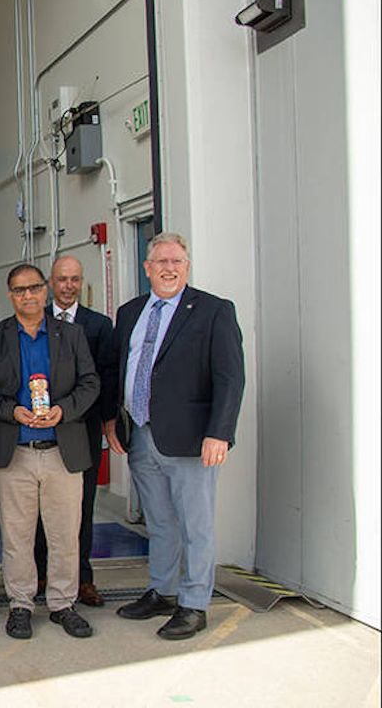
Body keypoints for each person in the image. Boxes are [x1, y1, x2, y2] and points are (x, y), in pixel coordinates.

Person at [105, 233, 244, 640]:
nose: (168, 268)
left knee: (195, 525)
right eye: (160, 261)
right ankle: (162, 591)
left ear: (187, 267)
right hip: (142, 435)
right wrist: (113, 419)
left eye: (177, 262)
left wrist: (220, 433)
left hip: (192, 439)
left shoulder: (213, 311)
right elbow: (118, 368)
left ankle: (194, 603)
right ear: (147, 268)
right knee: (161, 522)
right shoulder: (130, 312)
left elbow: (230, 377)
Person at [0, 264, 99, 641]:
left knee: (65, 535)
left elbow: (91, 382)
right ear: (10, 295)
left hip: (63, 451)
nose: (27, 296)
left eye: (33, 288)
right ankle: (21, 605)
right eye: (18, 290)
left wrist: (65, 409)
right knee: (17, 536)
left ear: (45, 291)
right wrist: (11, 411)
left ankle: (63, 603)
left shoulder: (71, 335)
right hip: (15, 453)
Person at [33, 256, 118, 607]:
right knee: (38, 510)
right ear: (51, 283)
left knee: (80, 510)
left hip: (81, 431)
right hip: (38, 431)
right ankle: (40, 574)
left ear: (81, 282)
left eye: (75, 279)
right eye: (62, 279)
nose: (68, 285)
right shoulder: (36, 320)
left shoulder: (98, 325)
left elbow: (106, 378)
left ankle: (82, 579)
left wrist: (109, 422)